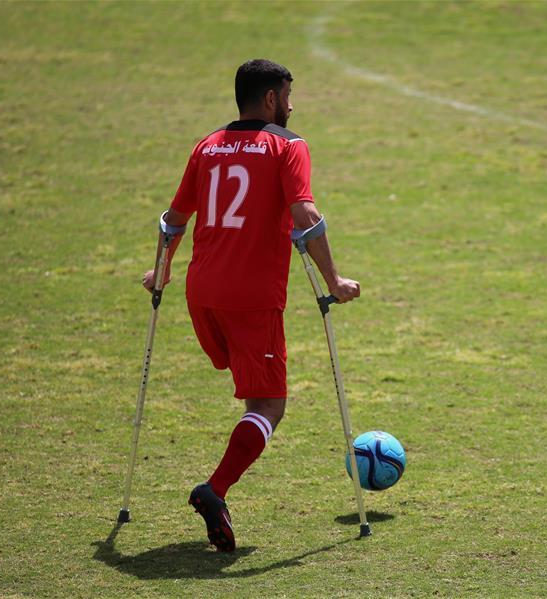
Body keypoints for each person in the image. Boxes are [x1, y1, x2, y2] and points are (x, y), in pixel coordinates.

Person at [141, 59, 360, 552]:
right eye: (287, 95)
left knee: (247, 389)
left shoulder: (207, 146)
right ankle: (213, 491)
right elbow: (305, 213)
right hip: (251, 299)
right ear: (269, 99)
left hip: (202, 294)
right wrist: (334, 279)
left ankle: (219, 484)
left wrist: (163, 268)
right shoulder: (288, 145)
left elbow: (172, 220)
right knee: (268, 404)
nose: (291, 104)